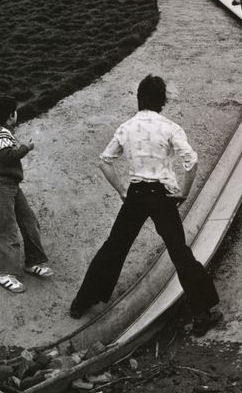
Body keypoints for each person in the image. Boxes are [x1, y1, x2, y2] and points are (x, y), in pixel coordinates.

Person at [70, 75, 222, 337]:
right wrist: (184, 192)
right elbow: (191, 161)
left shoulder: (126, 127)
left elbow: (105, 161)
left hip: (136, 193)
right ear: (162, 101)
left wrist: (121, 190)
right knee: (179, 252)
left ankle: (81, 303)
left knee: (114, 247)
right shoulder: (170, 127)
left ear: (139, 98)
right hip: (162, 195)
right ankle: (202, 313)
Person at [0, 96, 53, 294]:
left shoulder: (6, 132)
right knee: (6, 226)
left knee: (29, 220)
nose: (17, 113)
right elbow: (7, 157)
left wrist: (20, 146)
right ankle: (3, 272)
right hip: (0, 184)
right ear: (9, 115)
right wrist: (26, 147)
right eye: (14, 111)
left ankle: (33, 261)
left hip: (11, 184)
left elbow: (8, 154)